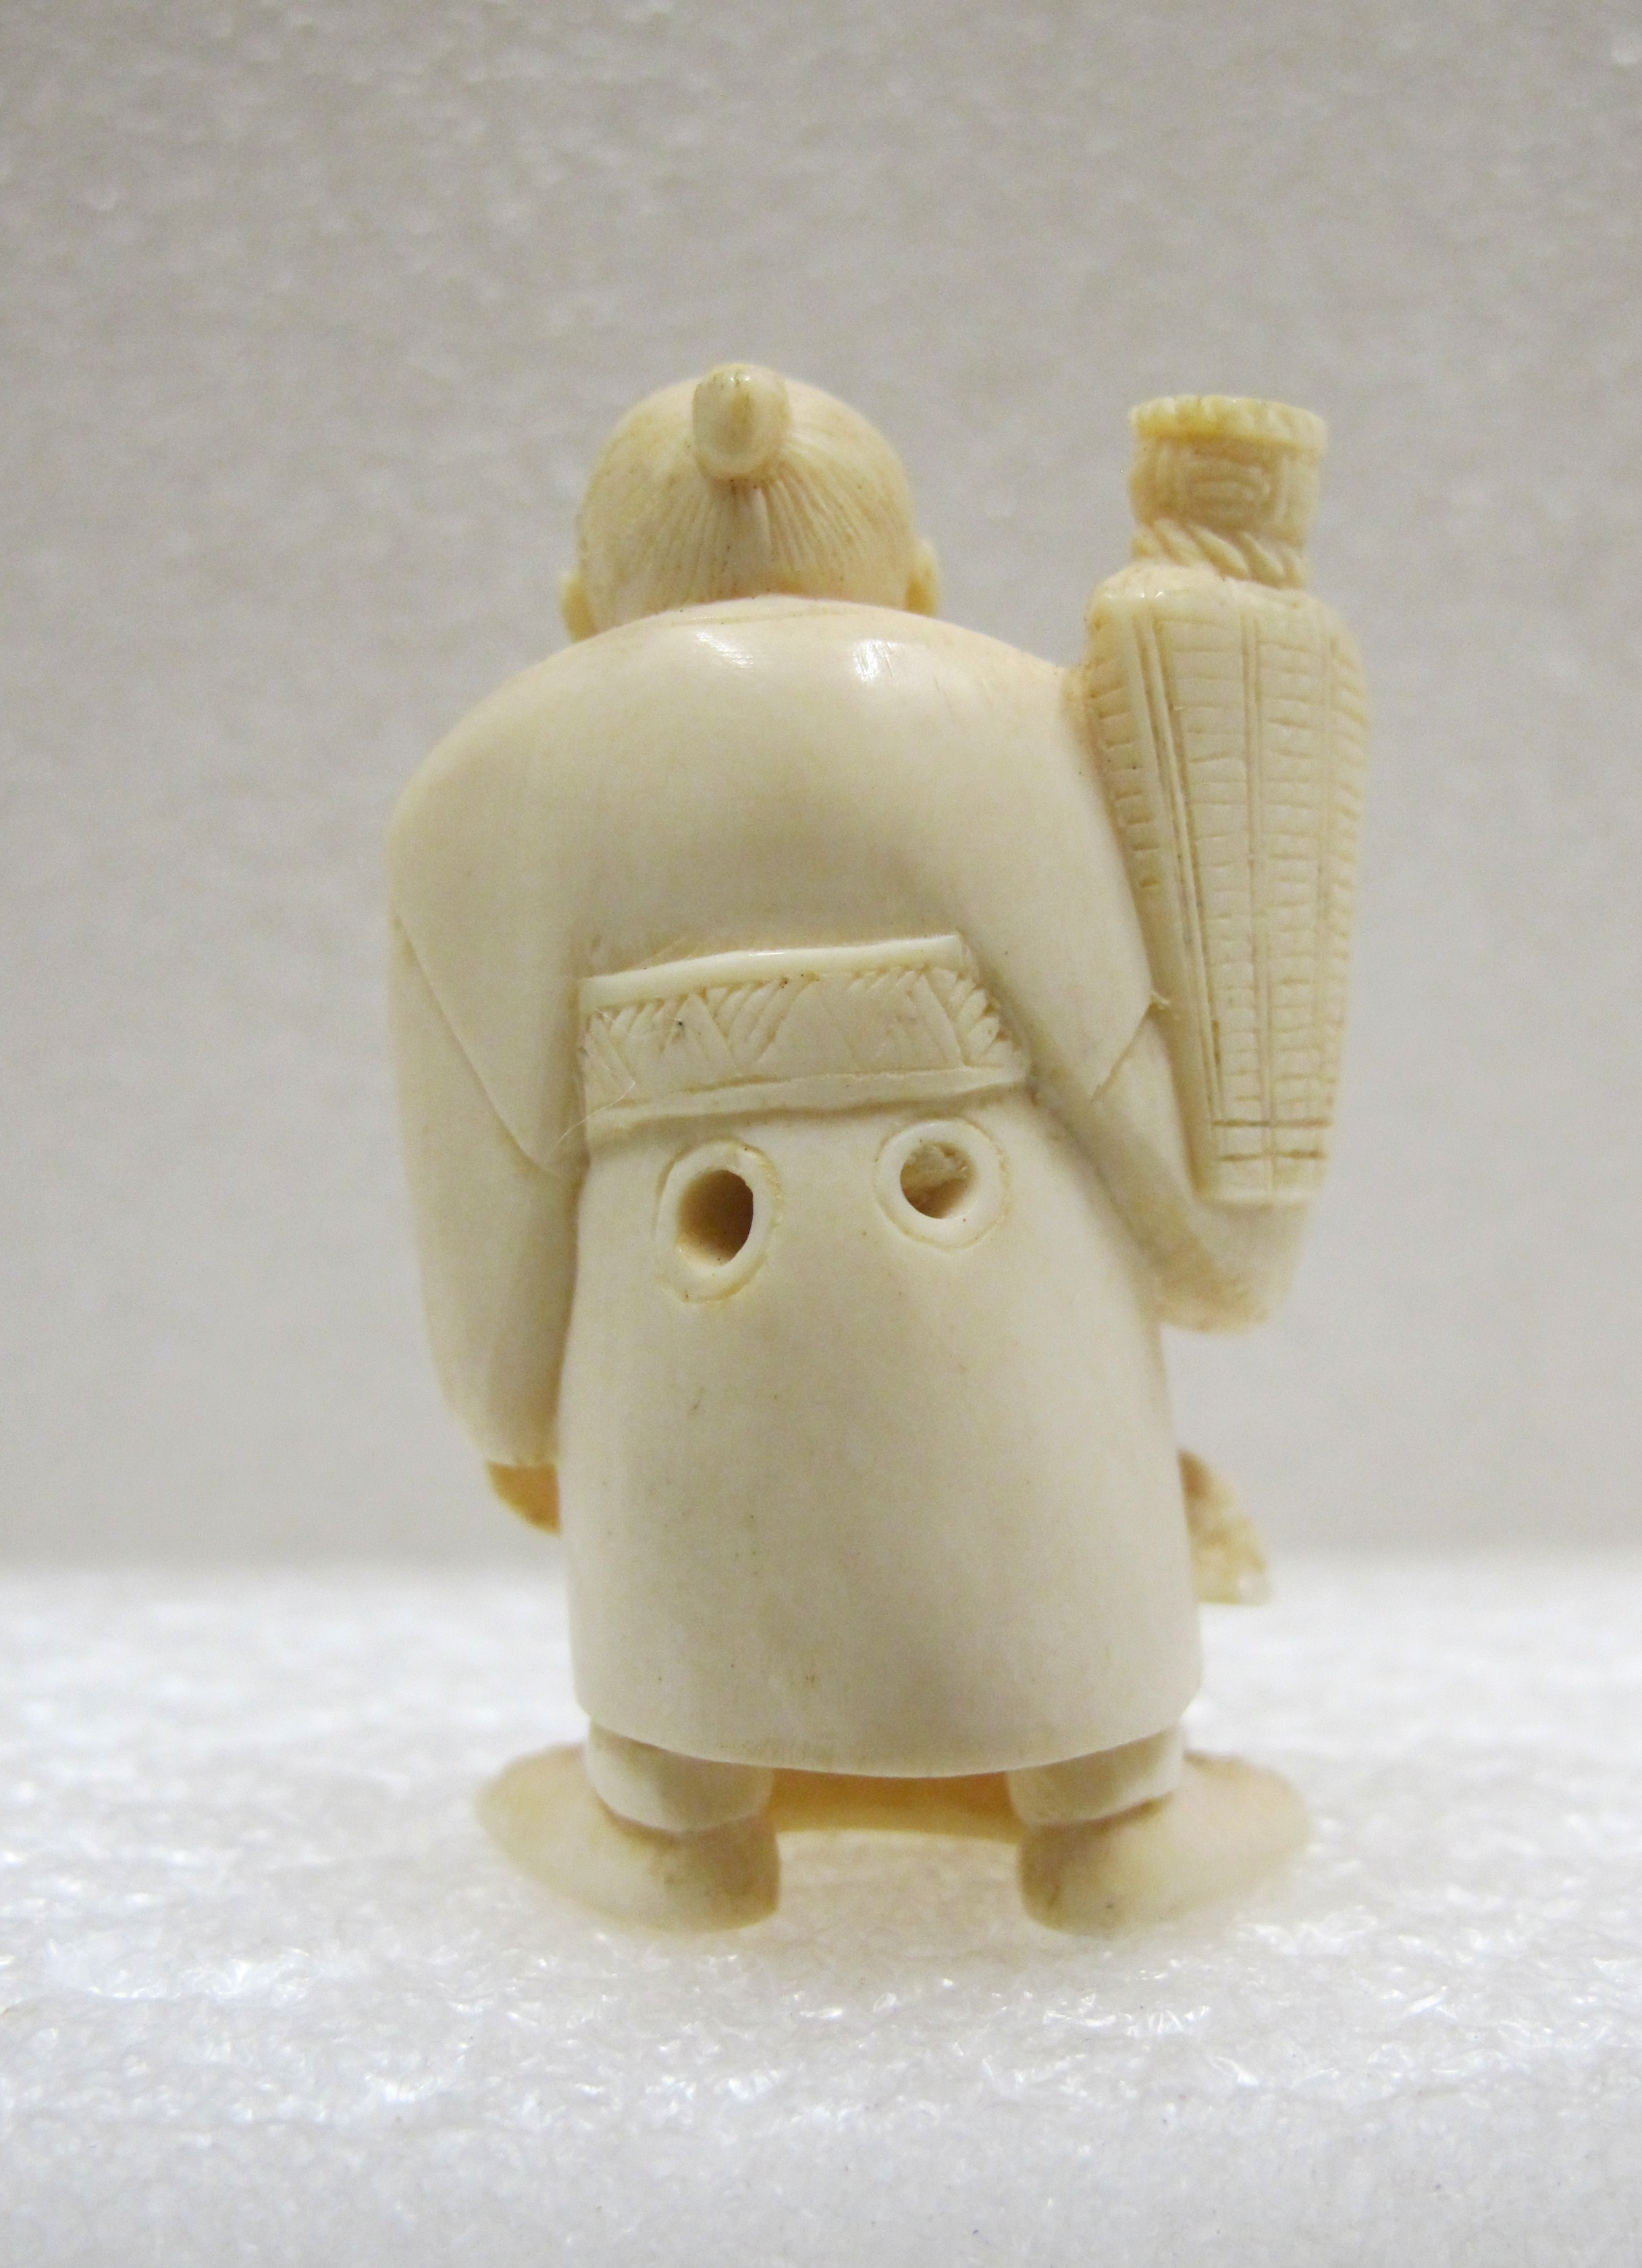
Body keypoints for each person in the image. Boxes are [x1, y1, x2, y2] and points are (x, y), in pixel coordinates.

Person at [390, 365, 1313, 1932]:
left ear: (581, 606)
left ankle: (673, 1816)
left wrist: (510, 1403)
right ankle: (1108, 1810)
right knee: (1033, 1499)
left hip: (679, 1256)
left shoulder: (474, 786)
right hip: (991, 1233)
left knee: (691, 1533)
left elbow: (489, 1152)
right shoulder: (1012, 717)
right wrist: (1217, 1244)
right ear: (918, 582)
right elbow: (1106, 1051)